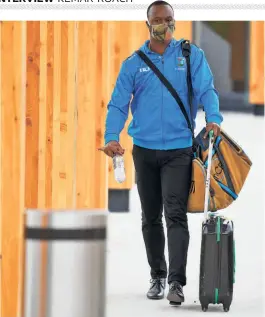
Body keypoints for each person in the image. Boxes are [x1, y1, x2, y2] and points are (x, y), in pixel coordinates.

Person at [99, 0, 223, 305]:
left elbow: (208, 90)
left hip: (179, 150)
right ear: (148, 24)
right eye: (158, 20)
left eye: (169, 19)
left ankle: (176, 283)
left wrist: (214, 119)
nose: (165, 25)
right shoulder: (134, 63)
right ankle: (157, 274)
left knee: (175, 214)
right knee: (150, 217)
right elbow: (118, 103)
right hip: (144, 150)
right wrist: (112, 136)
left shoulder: (191, 55)